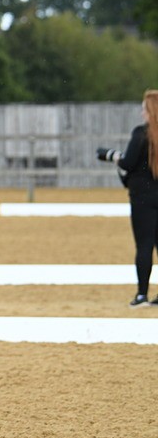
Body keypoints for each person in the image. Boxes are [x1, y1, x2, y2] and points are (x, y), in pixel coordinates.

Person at [98, 89, 158, 307]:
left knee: (144, 245)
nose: (142, 113)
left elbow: (128, 163)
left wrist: (111, 155)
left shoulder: (141, 134)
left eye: (144, 109)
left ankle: (142, 294)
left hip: (142, 197)